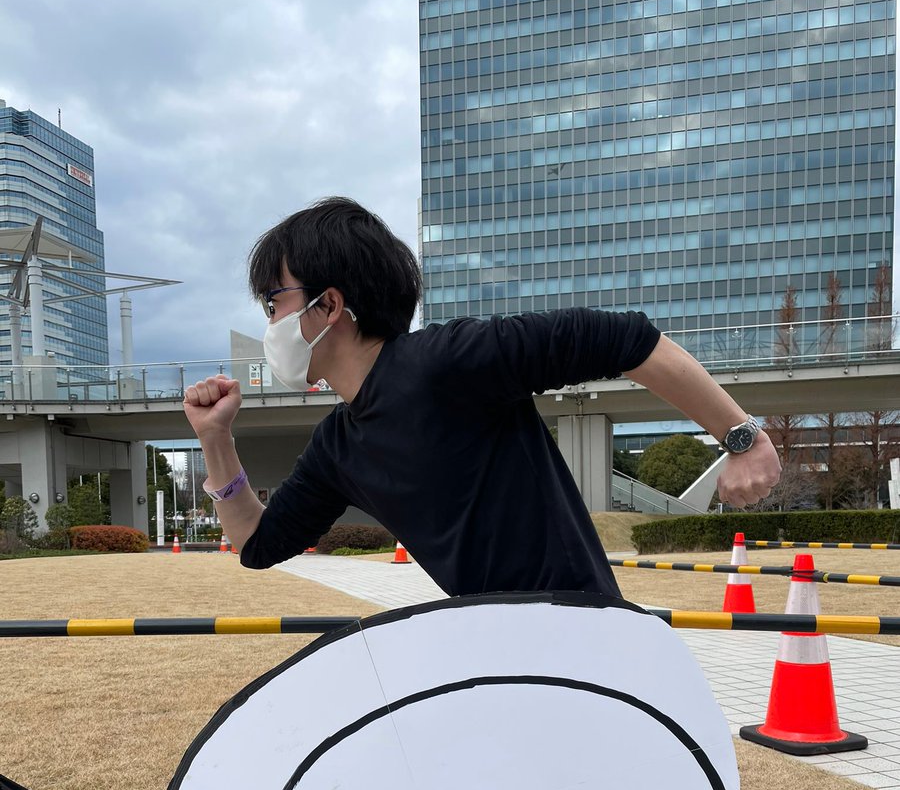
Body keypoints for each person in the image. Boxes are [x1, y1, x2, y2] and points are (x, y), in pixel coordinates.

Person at [183, 197, 781, 598]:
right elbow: (258, 544)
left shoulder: (448, 360)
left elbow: (626, 339)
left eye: (274, 301)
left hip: (582, 638)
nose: (269, 321)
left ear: (330, 305)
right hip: (491, 655)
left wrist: (741, 438)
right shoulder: (338, 445)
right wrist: (216, 439)